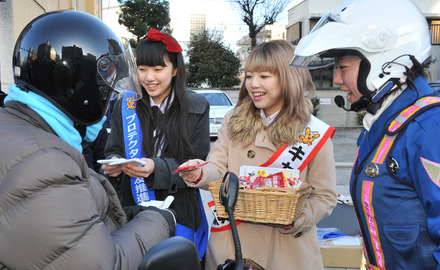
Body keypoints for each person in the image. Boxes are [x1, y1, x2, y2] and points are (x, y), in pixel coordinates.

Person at [0, 10, 176, 270]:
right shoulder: (45, 162)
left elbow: (68, 226)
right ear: (78, 89)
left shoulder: (18, 127)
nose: (107, 100)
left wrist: (125, 216)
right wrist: (160, 222)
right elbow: (100, 264)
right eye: (105, 88)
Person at [291, 0, 440, 269]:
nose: (337, 80)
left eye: (343, 67)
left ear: (384, 61)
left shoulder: (428, 129)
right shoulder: (384, 123)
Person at [179, 39, 337, 269]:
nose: (253, 84)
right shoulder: (233, 120)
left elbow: (325, 197)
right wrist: (199, 173)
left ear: (289, 77)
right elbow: (218, 168)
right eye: (249, 75)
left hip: (286, 250)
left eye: (264, 76)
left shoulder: (313, 133)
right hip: (233, 246)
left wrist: (299, 219)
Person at [102, 29, 210, 260]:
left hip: (179, 212)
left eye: (158, 69)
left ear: (175, 69)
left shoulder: (196, 106)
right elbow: (114, 149)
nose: (149, 78)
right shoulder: (125, 105)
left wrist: (155, 168)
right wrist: (113, 164)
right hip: (133, 211)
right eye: (142, 69)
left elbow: (197, 162)